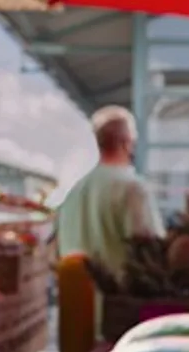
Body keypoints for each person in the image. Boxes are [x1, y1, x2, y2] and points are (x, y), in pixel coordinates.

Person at [54, 106, 164, 275]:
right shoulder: (133, 189)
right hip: (119, 299)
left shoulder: (73, 192)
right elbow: (150, 252)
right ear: (127, 143)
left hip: (73, 300)